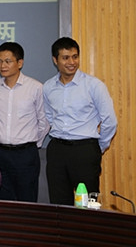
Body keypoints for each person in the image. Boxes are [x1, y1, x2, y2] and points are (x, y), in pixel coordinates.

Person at [43, 37, 117, 205]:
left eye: (75, 57)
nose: (72, 62)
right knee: (59, 203)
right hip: (57, 150)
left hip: (85, 150)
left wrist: (98, 147)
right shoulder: (48, 87)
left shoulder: (94, 85)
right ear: (55, 60)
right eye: (65, 58)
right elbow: (49, 116)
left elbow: (110, 120)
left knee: (89, 202)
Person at [0, 42, 49, 202]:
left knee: (26, 199)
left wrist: (32, 144)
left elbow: (44, 121)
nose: (2, 65)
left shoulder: (35, 87)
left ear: (20, 63)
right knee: (2, 200)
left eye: (7, 61)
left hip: (25, 155)